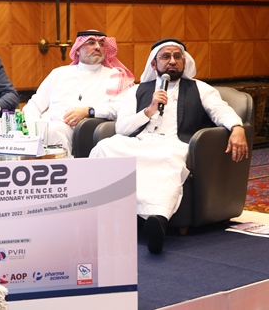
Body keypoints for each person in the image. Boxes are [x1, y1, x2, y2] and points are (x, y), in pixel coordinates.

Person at [89, 38, 249, 254]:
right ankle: (96, 214)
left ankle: (157, 220)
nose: (172, 61)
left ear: (184, 61)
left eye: (177, 56)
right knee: (104, 147)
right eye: (166, 57)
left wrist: (237, 127)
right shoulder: (137, 90)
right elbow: (122, 128)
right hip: (140, 142)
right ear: (154, 63)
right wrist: (149, 110)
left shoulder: (200, 89)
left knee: (167, 160)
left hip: (175, 144)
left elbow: (220, 110)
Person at [22, 30, 134, 155]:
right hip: (47, 125)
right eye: (91, 43)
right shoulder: (59, 73)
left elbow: (121, 107)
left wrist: (89, 111)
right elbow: (35, 105)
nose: (97, 47)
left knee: (54, 130)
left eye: (101, 44)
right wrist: (29, 127)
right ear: (77, 50)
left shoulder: (115, 75)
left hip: (86, 129)